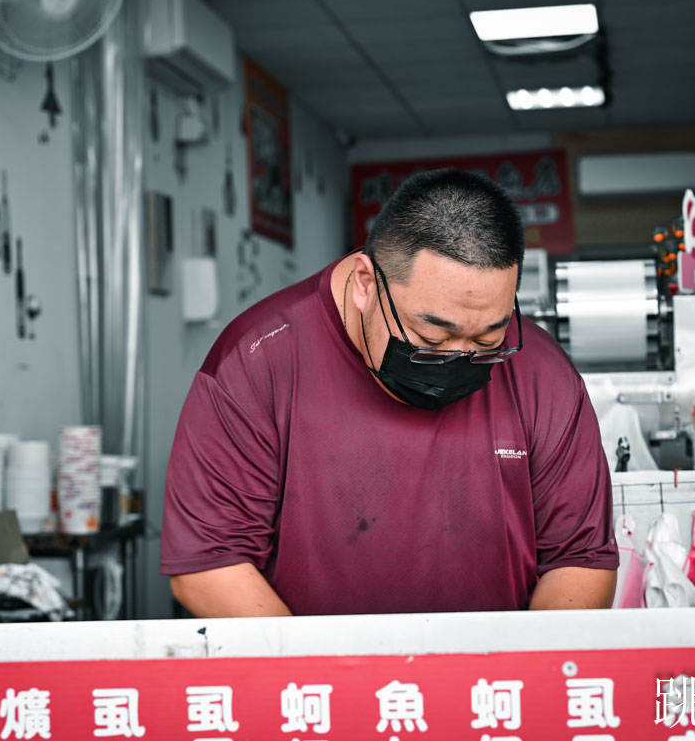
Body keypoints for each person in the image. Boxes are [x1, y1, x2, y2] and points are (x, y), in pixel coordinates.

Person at [160, 168, 617, 617]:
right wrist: (328, 681)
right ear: (364, 283)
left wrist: (524, 676)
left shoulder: (541, 373)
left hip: (494, 684)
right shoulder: (259, 362)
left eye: (487, 339)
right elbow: (209, 562)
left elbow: (580, 558)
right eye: (433, 337)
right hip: (318, 684)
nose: (460, 357)